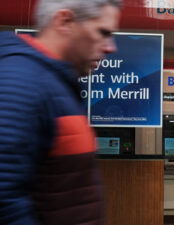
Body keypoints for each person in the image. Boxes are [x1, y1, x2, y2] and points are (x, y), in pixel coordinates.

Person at [0, 0, 122, 225]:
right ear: (64, 21)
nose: (110, 47)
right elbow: (5, 198)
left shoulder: (57, 83)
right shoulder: (21, 83)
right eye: (102, 32)